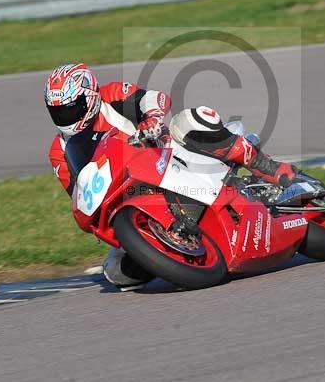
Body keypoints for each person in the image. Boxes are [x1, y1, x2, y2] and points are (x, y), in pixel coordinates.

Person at [44, 63, 296, 289]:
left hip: (165, 155)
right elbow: (79, 191)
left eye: (70, 109)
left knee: (185, 121)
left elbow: (153, 98)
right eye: (57, 112)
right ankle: (175, 254)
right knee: (113, 271)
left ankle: (268, 167)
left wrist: (151, 118)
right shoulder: (59, 151)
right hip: (131, 196)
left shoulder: (110, 96)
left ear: (90, 99)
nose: (65, 118)